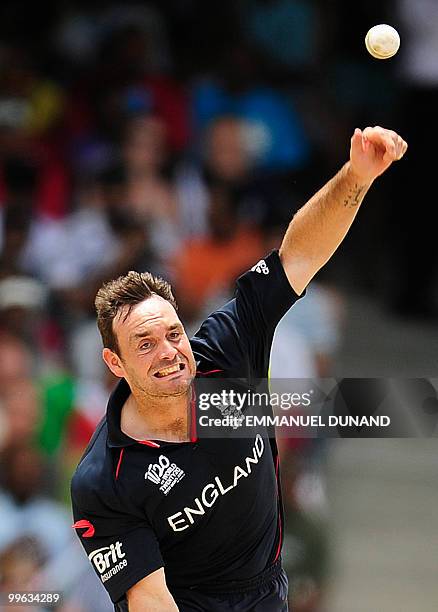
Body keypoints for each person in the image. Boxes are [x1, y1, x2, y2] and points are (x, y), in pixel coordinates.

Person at [70, 126, 407, 611]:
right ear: (114, 363)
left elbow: (299, 254)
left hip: (268, 593)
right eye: (144, 344)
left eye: (172, 334)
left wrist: (357, 176)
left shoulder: (226, 350)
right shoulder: (104, 479)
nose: (168, 352)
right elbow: (149, 599)